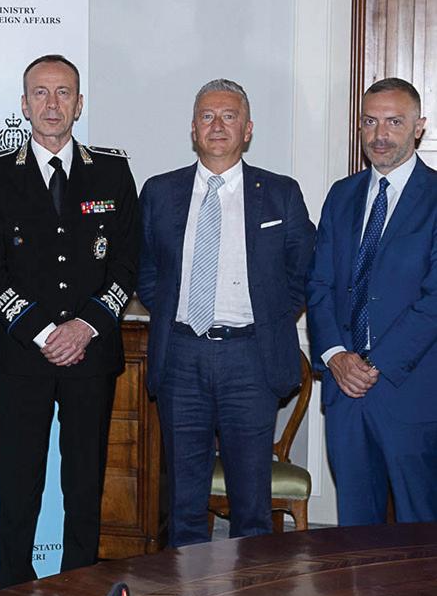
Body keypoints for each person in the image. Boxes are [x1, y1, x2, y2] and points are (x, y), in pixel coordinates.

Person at [0, 54, 139, 589]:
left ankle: (79, 591)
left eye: (63, 92)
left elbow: (127, 263)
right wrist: (45, 333)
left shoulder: (112, 171)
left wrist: (84, 327)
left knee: (84, 484)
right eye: (40, 93)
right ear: (24, 105)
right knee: (19, 485)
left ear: (79, 104)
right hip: (24, 357)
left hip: (92, 355)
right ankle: (14, 592)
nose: (51, 104)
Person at [138, 78, 315, 547]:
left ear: (247, 129)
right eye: (207, 116)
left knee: (251, 506)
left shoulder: (280, 194)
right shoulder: (159, 192)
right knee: (183, 503)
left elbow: (302, 271)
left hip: (250, 359)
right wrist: (174, 314)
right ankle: (188, 593)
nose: (217, 125)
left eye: (229, 116)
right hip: (181, 357)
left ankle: (250, 595)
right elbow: (147, 271)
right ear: (193, 129)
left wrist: (270, 320)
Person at [307, 77, 437, 524]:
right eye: (369, 122)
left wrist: (372, 364)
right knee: (354, 537)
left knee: (420, 539)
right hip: (345, 392)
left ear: (418, 127)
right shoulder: (341, 195)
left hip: (411, 394)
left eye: (394, 122)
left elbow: (433, 300)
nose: (380, 134)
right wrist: (335, 355)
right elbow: (319, 284)